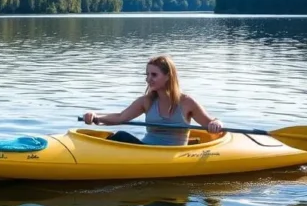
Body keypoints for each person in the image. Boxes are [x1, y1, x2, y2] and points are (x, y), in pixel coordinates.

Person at [82, 55, 223, 145]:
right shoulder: (146, 101)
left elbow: (211, 122)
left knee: (121, 136)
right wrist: (96, 117)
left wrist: (216, 123)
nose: (148, 79)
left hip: (174, 155)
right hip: (146, 151)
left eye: (154, 75)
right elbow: (120, 117)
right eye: (147, 74)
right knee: (120, 136)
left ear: (168, 76)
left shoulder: (187, 102)